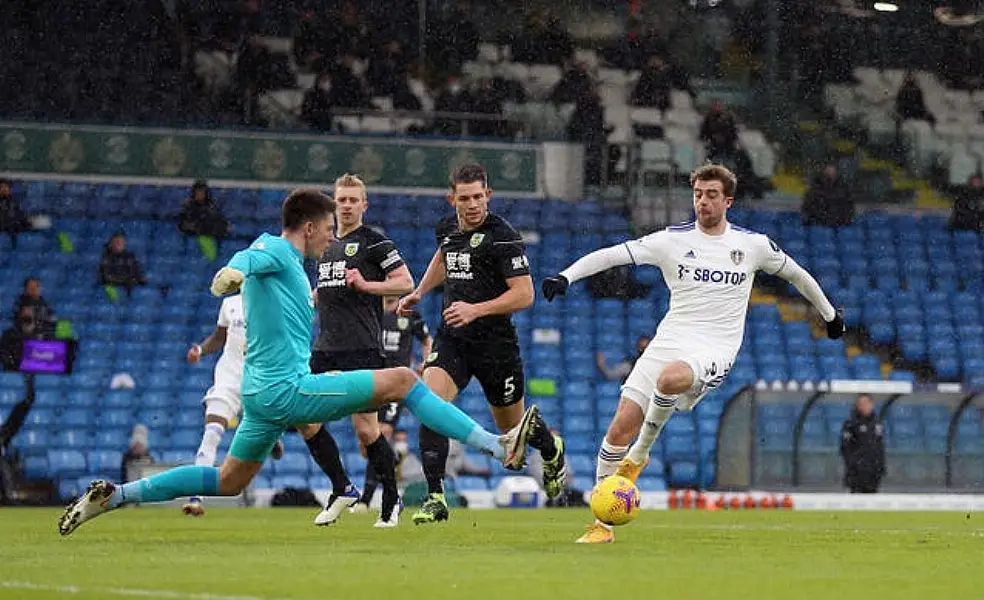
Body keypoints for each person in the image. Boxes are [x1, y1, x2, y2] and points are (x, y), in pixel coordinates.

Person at [59, 188, 539, 536]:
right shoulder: (278, 251)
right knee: (404, 379)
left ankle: (116, 495)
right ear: (308, 227)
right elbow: (249, 257)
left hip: (260, 394)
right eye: (328, 227)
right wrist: (229, 273)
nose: (331, 236)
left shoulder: (294, 265)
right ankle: (497, 446)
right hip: (287, 391)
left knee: (227, 481)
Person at [541, 163, 845, 543]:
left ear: (728, 201)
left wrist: (831, 316)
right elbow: (613, 255)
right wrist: (566, 276)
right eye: (698, 194)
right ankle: (602, 524)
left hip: (716, 347)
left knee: (670, 379)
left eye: (712, 194)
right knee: (620, 423)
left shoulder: (752, 246)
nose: (703, 201)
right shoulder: (672, 239)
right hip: (670, 338)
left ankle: (639, 457)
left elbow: (797, 274)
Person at [398, 163, 568, 525]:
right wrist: (419, 291)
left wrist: (476, 310)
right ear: (452, 199)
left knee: (513, 442)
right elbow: (445, 257)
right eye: (465, 198)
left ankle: (552, 450)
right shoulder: (446, 228)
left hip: (496, 347)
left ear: (488, 195)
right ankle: (435, 497)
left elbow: (525, 295)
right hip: (453, 340)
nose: (473, 204)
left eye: (479, 196)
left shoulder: (503, 236)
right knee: (429, 403)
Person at [300, 174, 414, 529]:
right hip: (324, 348)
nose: (346, 205)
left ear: (364, 204)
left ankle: (392, 500)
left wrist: (367, 285)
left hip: (361, 347)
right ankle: (342, 487)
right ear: (333, 205)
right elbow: (327, 294)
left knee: (367, 430)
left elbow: (406, 282)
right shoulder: (325, 246)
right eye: (341, 200)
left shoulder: (375, 243)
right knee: (304, 420)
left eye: (353, 200)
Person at [182, 293, 285, 516]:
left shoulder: (274, 300)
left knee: (260, 429)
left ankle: (271, 435)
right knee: (211, 433)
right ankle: (196, 498)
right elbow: (219, 337)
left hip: (258, 380)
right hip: (227, 379)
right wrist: (200, 350)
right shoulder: (230, 303)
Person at [350, 296, 433, 513]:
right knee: (367, 443)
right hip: (372, 379)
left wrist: (426, 364)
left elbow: (426, 340)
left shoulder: (410, 315)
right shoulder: (371, 310)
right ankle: (392, 457)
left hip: (395, 385)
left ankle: (366, 500)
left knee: (382, 433)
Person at [840, 394, 886, 494]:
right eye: (861, 404)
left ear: (871, 404)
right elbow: (845, 448)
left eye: (866, 403)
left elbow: (880, 446)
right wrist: (853, 465)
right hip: (856, 473)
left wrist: (881, 467)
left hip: (874, 473)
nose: (863, 406)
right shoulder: (851, 423)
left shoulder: (877, 422)